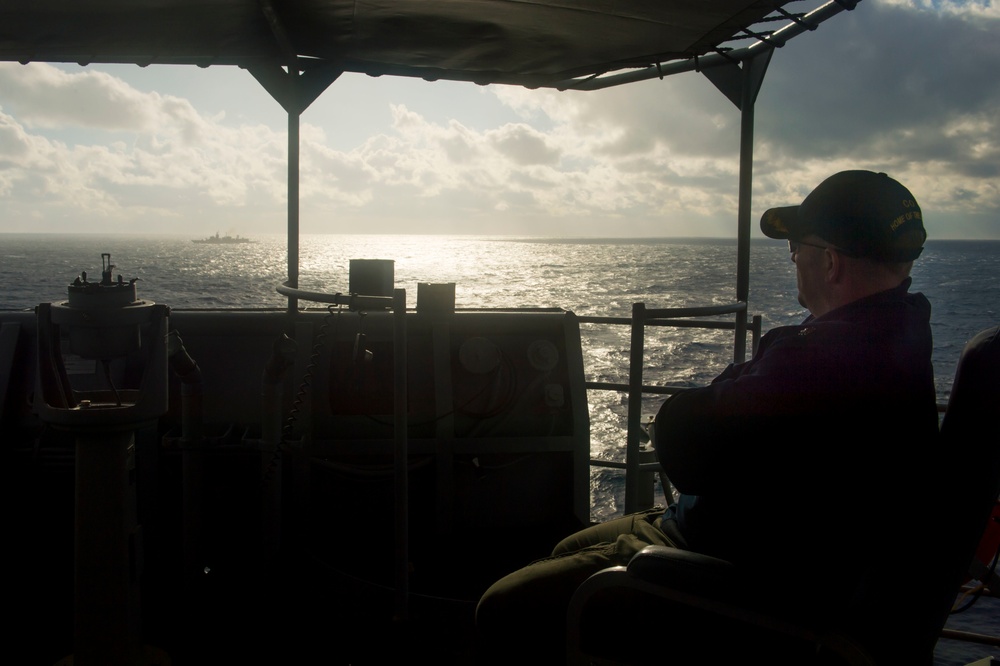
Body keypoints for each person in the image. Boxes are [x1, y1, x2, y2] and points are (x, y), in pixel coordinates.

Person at [475, 170, 938, 663]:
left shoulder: (823, 362)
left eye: (795, 247)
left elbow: (681, 440)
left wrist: (731, 384)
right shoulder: (902, 336)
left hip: (731, 578)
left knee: (504, 606)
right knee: (568, 546)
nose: (793, 258)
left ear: (829, 262)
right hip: (773, 553)